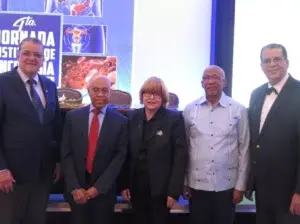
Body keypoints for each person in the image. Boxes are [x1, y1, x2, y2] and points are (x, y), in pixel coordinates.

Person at [0, 37, 62, 224]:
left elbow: (55, 126)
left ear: (43, 60)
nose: (31, 58)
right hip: (11, 176)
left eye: (37, 55)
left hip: (42, 175)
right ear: (18, 55)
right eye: (26, 53)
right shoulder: (2, 83)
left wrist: (58, 161)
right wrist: (1, 168)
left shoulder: (50, 86)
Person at [183, 65, 250, 224]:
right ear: (202, 83)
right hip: (196, 185)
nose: (211, 81)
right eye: (207, 78)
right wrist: (185, 182)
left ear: (224, 82)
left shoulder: (238, 110)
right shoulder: (190, 110)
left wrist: (240, 186)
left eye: (216, 77)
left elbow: (244, 148)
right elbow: (184, 148)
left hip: (226, 186)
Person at [120, 77, 188, 224]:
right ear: (141, 96)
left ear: (163, 97)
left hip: (161, 190)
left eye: (156, 94)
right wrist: (124, 184)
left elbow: (180, 157)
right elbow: (126, 154)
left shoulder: (174, 119)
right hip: (136, 187)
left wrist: (173, 191)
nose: (151, 98)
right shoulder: (132, 117)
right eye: (147, 93)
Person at [61, 75, 128, 224]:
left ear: (110, 93)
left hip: (104, 193)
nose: (100, 94)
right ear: (88, 91)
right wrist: (74, 188)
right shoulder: (72, 117)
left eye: (105, 90)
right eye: (95, 90)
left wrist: (98, 188)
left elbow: (119, 157)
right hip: (76, 192)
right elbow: (66, 154)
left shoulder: (121, 121)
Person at [246, 43, 300, 224]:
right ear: (261, 66)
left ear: (287, 62)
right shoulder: (256, 94)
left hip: (290, 191)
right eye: (267, 61)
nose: (272, 64)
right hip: (262, 189)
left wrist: (299, 192)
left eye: (277, 59)